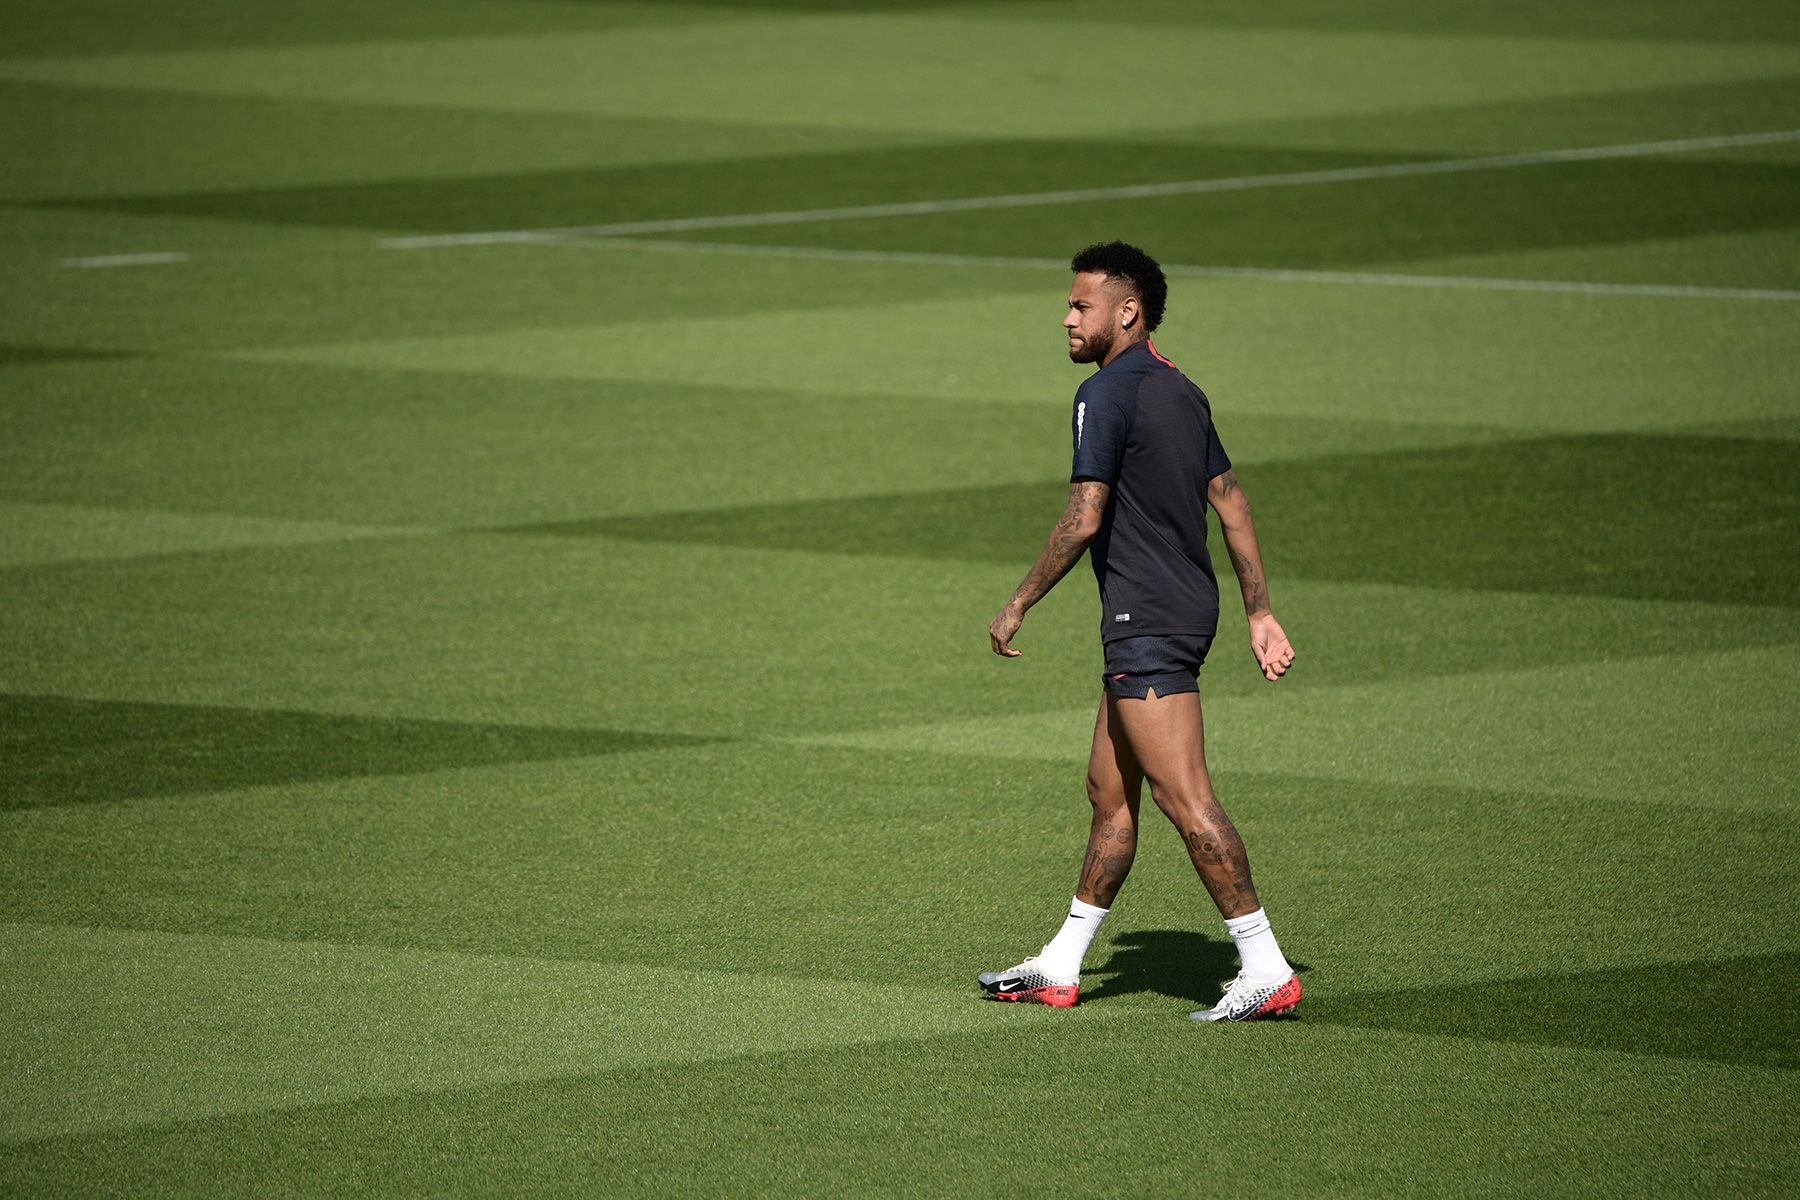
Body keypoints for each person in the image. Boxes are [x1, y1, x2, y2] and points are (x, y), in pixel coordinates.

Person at [979, 241, 1301, 1022]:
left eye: (1080, 305)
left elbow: (1084, 516)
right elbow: (1231, 503)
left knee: (1184, 799)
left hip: (1147, 621)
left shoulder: (1107, 394)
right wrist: (1259, 610)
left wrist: (1018, 601)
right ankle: (1060, 964)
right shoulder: (1180, 388)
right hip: (1173, 612)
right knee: (1109, 793)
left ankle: (1265, 964)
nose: (1066, 317)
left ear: (1127, 312)